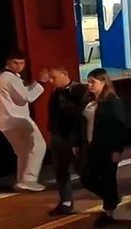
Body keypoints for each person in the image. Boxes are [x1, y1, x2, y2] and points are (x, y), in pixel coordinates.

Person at [75, 68, 126, 227]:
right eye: (88, 81)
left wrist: (118, 149)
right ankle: (111, 199)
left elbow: (120, 126)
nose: (89, 85)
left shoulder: (112, 102)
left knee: (108, 179)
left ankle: (108, 212)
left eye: (93, 82)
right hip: (91, 146)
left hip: (107, 148)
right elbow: (81, 123)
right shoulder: (88, 101)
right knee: (87, 178)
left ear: (103, 82)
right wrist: (78, 142)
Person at [0, 49, 48, 192]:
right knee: (39, 145)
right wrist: (42, 83)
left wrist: (32, 86)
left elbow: (20, 94)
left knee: (23, 152)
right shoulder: (10, 78)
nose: (19, 66)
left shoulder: (4, 77)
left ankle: (21, 181)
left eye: (22, 63)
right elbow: (26, 98)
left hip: (5, 122)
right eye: (15, 63)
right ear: (8, 62)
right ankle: (29, 179)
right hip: (17, 120)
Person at [46, 66, 88, 215]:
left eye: (54, 77)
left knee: (85, 172)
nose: (51, 81)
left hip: (74, 138)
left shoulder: (79, 91)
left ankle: (108, 197)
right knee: (61, 171)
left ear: (64, 74)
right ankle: (65, 202)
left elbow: (80, 118)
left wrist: (77, 141)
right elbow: (52, 115)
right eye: (49, 78)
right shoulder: (55, 93)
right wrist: (51, 133)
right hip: (59, 139)